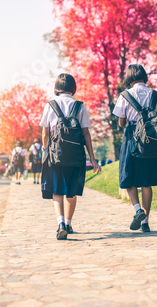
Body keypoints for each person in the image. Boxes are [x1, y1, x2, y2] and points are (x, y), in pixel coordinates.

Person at [40, 73, 101, 240]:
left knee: (56, 190)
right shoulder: (79, 106)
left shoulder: (50, 105)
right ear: (73, 87)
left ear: (57, 87)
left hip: (55, 155)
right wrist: (92, 158)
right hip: (76, 156)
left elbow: (45, 132)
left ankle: (60, 223)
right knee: (71, 191)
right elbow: (86, 133)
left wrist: (46, 151)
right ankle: (68, 223)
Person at [113, 64, 157, 233]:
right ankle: (145, 221)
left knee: (127, 177)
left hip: (132, 138)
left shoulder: (124, 96)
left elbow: (121, 122)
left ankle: (137, 209)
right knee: (146, 182)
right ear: (144, 76)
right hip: (151, 141)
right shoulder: (155, 95)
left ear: (129, 78)